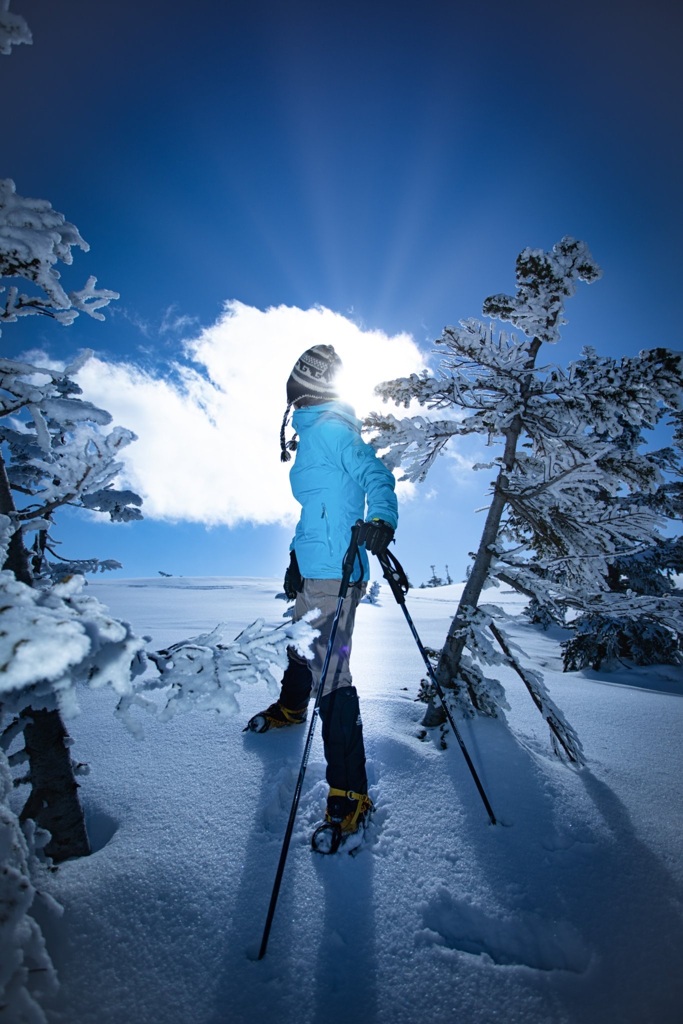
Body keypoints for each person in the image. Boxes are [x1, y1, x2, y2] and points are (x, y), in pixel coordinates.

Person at [246, 344, 397, 852]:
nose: (294, 395)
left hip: (340, 571)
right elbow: (316, 511)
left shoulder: (334, 430)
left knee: (332, 672)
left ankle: (351, 791)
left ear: (309, 388)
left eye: (299, 386)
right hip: (312, 567)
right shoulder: (311, 434)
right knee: (297, 644)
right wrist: (294, 556)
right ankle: (292, 709)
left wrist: (382, 521)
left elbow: (378, 476)